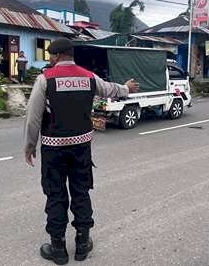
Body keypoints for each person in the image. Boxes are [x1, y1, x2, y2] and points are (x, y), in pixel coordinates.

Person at [23, 38, 139, 265]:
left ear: (56, 56)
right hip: (81, 148)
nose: (49, 59)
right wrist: (126, 88)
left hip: (54, 149)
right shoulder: (88, 77)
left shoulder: (45, 79)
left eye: (50, 55)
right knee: (81, 191)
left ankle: (58, 249)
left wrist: (29, 146)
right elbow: (110, 89)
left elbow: (33, 118)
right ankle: (83, 244)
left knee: (55, 194)